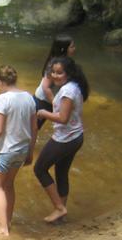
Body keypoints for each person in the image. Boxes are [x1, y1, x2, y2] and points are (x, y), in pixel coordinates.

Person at [0, 65, 37, 236]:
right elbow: (34, 128)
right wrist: (30, 151)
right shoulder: (29, 98)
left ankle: (3, 229)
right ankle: (7, 220)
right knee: (9, 185)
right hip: (21, 149)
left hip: (4, 151)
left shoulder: (3, 99)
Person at [33, 56, 88, 223]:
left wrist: (43, 114)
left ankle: (59, 207)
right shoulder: (73, 87)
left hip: (66, 139)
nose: (55, 76)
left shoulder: (67, 91)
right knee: (61, 173)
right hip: (75, 136)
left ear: (68, 73)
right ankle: (60, 217)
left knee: (40, 169)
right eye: (53, 72)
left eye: (60, 73)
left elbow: (63, 118)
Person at [34, 34, 76, 118]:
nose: (74, 48)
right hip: (42, 100)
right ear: (63, 49)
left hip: (48, 100)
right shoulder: (55, 64)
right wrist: (56, 104)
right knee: (33, 127)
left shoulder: (65, 62)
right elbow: (45, 87)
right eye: (72, 47)